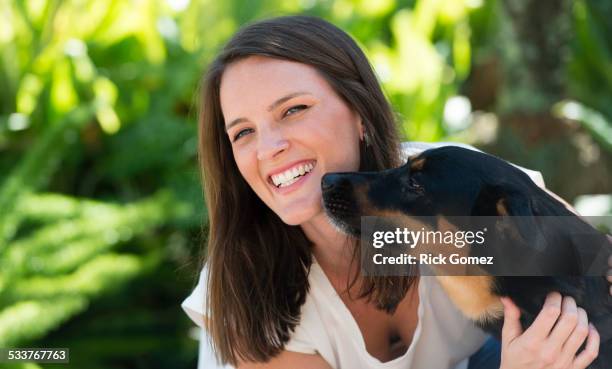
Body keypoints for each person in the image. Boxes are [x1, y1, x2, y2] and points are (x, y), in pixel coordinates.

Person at [182, 15, 612, 369]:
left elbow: (593, 262)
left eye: (293, 110)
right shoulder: (245, 284)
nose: (268, 148)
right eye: (243, 133)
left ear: (360, 113)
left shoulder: (452, 187)